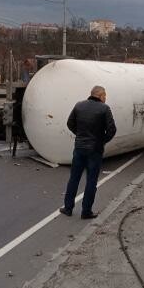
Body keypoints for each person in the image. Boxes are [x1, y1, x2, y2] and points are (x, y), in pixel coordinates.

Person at [60, 85, 117, 219]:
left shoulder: (79, 105)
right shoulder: (104, 109)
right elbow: (112, 130)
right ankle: (86, 211)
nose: (105, 98)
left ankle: (68, 208)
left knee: (74, 178)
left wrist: (79, 134)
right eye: (105, 96)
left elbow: (70, 123)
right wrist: (101, 141)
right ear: (100, 95)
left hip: (79, 148)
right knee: (91, 181)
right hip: (95, 150)